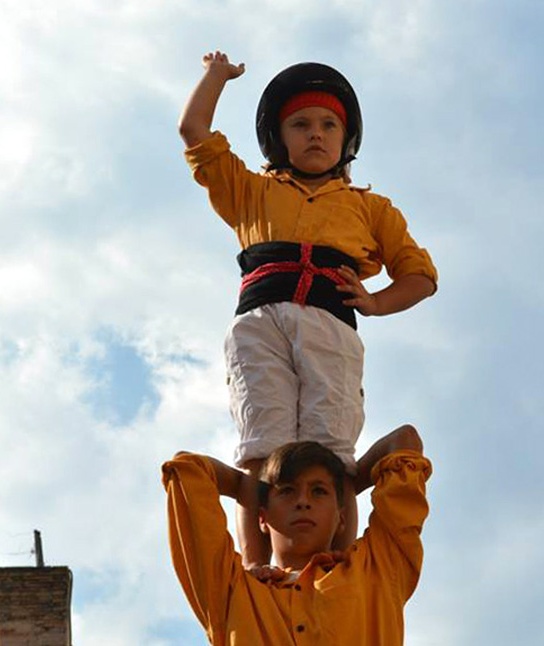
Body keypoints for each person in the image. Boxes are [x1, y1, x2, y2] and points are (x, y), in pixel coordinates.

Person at [179, 51, 438, 571]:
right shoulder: (252, 190)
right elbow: (193, 130)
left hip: (328, 322)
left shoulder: (370, 207)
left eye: (328, 125)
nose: (315, 134)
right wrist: (216, 77)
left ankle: (336, 564)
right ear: (280, 137)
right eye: (300, 124)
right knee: (261, 439)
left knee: (330, 444)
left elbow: (420, 276)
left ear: (346, 139)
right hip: (259, 320)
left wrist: (376, 302)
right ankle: (257, 565)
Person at [162, 425, 432, 645]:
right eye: (287, 491)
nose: (303, 501)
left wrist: (344, 482)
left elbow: (404, 440)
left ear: (341, 518)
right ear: (263, 518)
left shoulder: (376, 570)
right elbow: (188, 471)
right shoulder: (233, 591)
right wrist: (256, 486)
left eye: (318, 491)